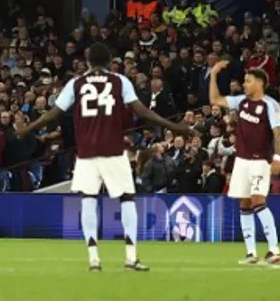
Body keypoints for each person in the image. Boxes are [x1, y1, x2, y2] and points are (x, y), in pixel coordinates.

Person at [21, 42, 190, 272]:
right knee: (127, 199)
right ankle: (131, 257)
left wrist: (29, 128)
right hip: (113, 150)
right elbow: (142, 111)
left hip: (87, 152)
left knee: (88, 200)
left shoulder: (76, 83)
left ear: (88, 62)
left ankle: (94, 259)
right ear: (110, 61)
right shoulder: (120, 81)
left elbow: (54, 113)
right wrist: (175, 126)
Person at [208, 60, 280, 266]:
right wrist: (214, 74)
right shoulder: (241, 101)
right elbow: (215, 99)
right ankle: (251, 253)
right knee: (244, 203)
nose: (244, 84)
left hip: (260, 160)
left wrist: (277, 158)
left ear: (260, 83)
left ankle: (274, 250)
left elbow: (278, 132)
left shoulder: (270, 104)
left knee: (258, 201)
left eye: (248, 81)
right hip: (241, 161)